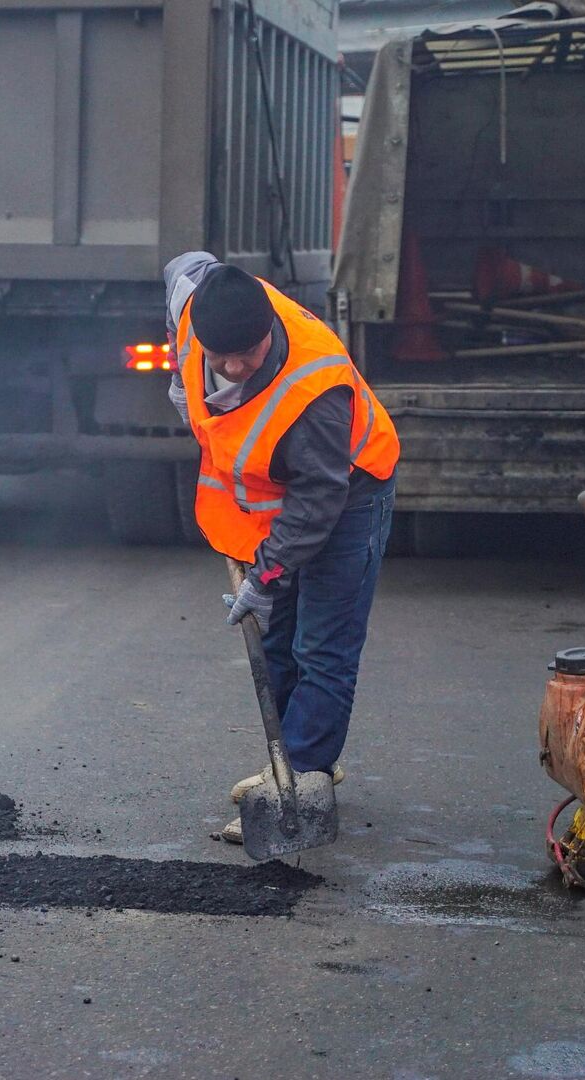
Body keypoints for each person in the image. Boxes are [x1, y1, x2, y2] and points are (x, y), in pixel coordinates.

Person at [163, 254, 401, 846]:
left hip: (350, 492)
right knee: (277, 640)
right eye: (222, 356)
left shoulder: (315, 385)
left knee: (322, 644)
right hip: (279, 497)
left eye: (249, 351)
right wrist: (179, 380)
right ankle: (293, 760)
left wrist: (266, 576)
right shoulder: (195, 305)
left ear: (268, 325)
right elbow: (181, 268)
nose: (237, 366)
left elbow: (321, 496)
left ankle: (298, 776)